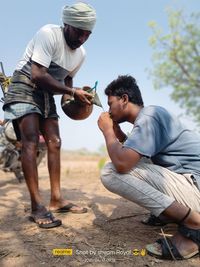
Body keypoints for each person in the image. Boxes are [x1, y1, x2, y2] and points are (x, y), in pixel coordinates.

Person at [3, 2, 96, 229]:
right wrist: (71, 92)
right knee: (31, 141)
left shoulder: (80, 54)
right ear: (66, 24)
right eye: (78, 32)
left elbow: (67, 80)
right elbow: (37, 74)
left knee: (55, 142)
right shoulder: (48, 34)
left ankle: (56, 199)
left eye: (87, 34)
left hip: (46, 93)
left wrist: (71, 101)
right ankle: (36, 206)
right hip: (24, 86)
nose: (82, 38)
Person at [97, 75, 200, 260]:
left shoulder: (149, 116)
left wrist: (107, 131)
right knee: (140, 160)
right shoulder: (151, 117)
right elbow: (142, 154)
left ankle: (194, 223)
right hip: (191, 184)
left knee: (110, 171)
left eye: (110, 103)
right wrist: (119, 135)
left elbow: (122, 164)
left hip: (196, 188)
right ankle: (167, 215)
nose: (109, 110)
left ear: (124, 99)